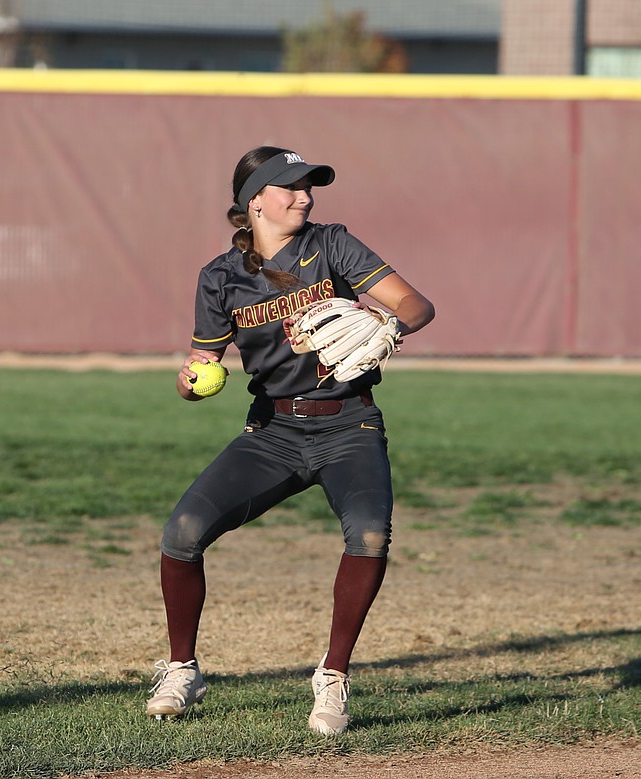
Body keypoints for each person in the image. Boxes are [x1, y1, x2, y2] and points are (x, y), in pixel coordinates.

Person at [146, 146, 435, 735]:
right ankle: (182, 669)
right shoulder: (220, 277)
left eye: (310, 187)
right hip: (273, 430)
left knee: (371, 536)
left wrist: (389, 324)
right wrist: (188, 384)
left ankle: (332, 678)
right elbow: (203, 364)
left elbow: (416, 303)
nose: (305, 196)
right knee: (181, 534)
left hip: (349, 425)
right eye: (291, 187)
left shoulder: (332, 245)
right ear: (255, 201)